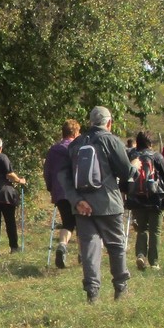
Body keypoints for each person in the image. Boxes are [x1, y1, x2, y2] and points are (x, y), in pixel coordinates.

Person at [58, 107, 137, 303]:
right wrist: (135, 166)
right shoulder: (111, 140)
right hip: (109, 203)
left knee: (89, 250)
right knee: (116, 246)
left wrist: (77, 201)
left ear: (90, 122)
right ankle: (121, 289)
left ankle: (92, 294)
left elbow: (64, 176)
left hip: (82, 206)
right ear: (109, 123)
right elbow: (125, 172)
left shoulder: (76, 144)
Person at [127, 132, 164, 270]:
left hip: (136, 198)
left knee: (141, 229)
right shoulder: (156, 156)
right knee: (155, 231)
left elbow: (125, 177)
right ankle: (154, 262)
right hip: (155, 199)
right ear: (150, 143)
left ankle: (141, 254)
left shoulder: (132, 156)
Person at [44, 119, 80, 268]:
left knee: (67, 222)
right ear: (76, 133)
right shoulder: (78, 148)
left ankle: (62, 245)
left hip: (60, 192)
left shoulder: (53, 150)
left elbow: (47, 171)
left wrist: (51, 187)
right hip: (77, 191)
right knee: (81, 223)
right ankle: (82, 254)